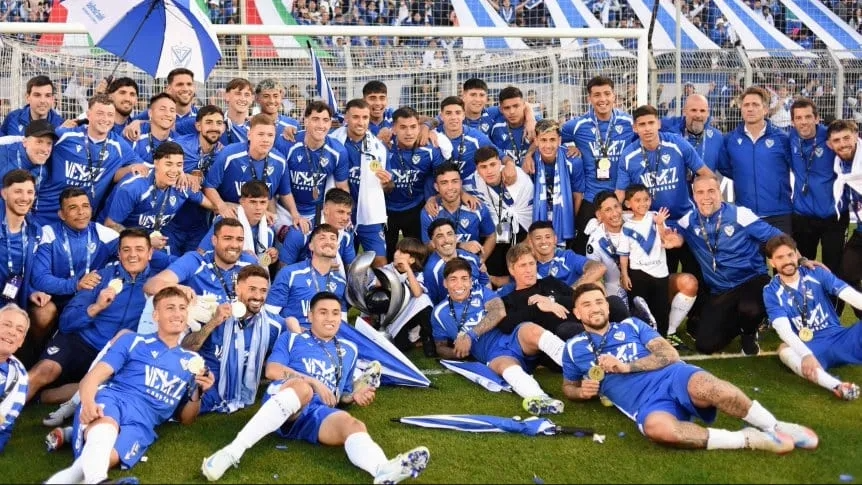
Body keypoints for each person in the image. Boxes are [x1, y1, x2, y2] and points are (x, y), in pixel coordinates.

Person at [200, 292, 430, 484]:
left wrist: (354, 396)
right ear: (310, 316)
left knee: (353, 424)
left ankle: (382, 470)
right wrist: (313, 382)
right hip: (286, 397)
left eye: (335, 313)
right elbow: (272, 370)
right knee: (303, 389)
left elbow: (341, 395)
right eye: (323, 312)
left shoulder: (349, 349)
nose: (330, 318)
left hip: (315, 412)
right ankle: (230, 453)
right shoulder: (292, 339)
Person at [561, 283, 818, 453]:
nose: (595, 308)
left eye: (599, 301)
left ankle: (775, 426)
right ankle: (748, 439)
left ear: (607, 306)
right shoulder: (573, 348)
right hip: (644, 403)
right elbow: (568, 387)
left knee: (717, 390)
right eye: (587, 304)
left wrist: (626, 367)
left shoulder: (631, 325)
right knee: (658, 430)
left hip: (674, 376)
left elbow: (669, 354)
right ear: (577, 313)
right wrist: (581, 392)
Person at [44, 286, 215, 485]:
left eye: (182, 308)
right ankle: (99, 480)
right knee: (104, 430)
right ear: (156, 315)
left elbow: (186, 419)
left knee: (103, 457)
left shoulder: (193, 362)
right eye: (170, 308)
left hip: (143, 423)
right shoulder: (133, 341)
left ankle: (78, 453)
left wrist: (198, 391)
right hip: (115, 399)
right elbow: (93, 378)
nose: (177, 314)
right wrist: (89, 403)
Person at [26, 228, 156, 405]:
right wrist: (96, 307)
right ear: (119, 253)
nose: (132, 255)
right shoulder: (99, 277)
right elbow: (65, 323)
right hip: (81, 341)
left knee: (93, 389)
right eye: (126, 249)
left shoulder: (157, 285)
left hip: (115, 354)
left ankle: (40, 397)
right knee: (45, 370)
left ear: (150, 253)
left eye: (139, 249)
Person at [663, 174, 784, 355]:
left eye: (711, 191)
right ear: (694, 196)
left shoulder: (740, 214)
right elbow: (676, 235)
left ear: (720, 192)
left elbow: (777, 237)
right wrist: (676, 239)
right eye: (700, 192)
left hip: (751, 279)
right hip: (721, 290)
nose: (706, 197)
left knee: (749, 308)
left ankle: (749, 333)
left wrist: (801, 261)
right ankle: (742, 321)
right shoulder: (688, 221)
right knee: (706, 345)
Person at [432, 258, 566, 415]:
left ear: (470, 281)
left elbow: (498, 312)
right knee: (505, 368)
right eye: (453, 279)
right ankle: (540, 399)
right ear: (445, 283)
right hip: (494, 354)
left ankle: (583, 364)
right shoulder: (439, 313)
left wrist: (469, 335)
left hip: (513, 337)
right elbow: (440, 346)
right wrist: (457, 352)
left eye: (464, 279)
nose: (459, 285)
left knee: (532, 330)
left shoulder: (481, 292)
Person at [763, 234, 860, 400]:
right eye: (780, 257)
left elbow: (851, 295)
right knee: (784, 350)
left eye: (790, 255)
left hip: (839, 337)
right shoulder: (770, 291)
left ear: (796, 255)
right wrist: (806, 354)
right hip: (812, 348)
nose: (787, 261)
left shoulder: (816, 273)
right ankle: (837, 386)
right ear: (772, 262)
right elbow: (784, 330)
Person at [182, 265, 285, 414]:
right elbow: (185, 349)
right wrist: (213, 323)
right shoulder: (214, 313)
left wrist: (293, 324)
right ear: (237, 289)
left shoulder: (274, 324)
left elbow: (291, 346)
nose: (258, 296)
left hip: (239, 391)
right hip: (205, 385)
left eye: (263, 290)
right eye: (252, 289)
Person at [35, 94, 147, 226]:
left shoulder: (118, 145)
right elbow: (33, 147)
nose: (105, 119)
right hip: (46, 214)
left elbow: (143, 167)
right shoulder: (65, 135)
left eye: (110, 115)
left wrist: (131, 168)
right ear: (88, 115)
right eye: (100, 113)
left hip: (80, 219)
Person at [30, 188, 119, 343]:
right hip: (54, 298)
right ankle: (38, 350)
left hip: (87, 298)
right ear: (61, 214)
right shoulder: (48, 234)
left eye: (85, 206)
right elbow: (40, 279)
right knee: (43, 313)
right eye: (73, 208)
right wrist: (76, 284)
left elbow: (130, 253)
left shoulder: (104, 234)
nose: (81, 212)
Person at [562, 76, 636, 254]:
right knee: (581, 251)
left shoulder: (629, 123)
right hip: (591, 198)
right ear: (589, 98)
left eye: (607, 94)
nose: (603, 99)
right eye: (597, 95)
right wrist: (568, 148)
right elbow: (549, 139)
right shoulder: (577, 125)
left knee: (628, 250)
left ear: (614, 95)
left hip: (621, 196)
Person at [618, 184, 699, 346]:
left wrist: (661, 224)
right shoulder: (626, 227)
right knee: (641, 309)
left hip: (660, 272)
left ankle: (662, 339)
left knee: (661, 308)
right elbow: (624, 254)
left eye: (646, 199)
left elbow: (664, 239)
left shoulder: (655, 217)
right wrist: (625, 275)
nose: (643, 203)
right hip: (638, 273)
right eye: (637, 200)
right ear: (628, 204)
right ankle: (641, 341)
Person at [101, 142, 215, 253]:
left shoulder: (182, 185)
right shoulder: (134, 188)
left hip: (150, 240)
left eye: (179, 165)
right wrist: (145, 241)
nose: (174, 170)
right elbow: (110, 226)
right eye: (168, 164)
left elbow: (213, 205)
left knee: (177, 264)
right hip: (116, 243)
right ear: (156, 163)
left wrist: (222, 206)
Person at [717, 86, 792, 234]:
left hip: (779, 214)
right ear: (741, 109)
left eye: (755, 105)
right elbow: (726, 168)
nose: (750, 109)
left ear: (765, 110)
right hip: (745, 215)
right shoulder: (730, 140)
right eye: (746, 105)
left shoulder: (782, 139)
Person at [329, 98, 392, 268]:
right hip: (339, 212)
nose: (361, 122)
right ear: (346, 118)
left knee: (380, 262)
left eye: (365, 117)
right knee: (341, 263)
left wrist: (386, 182)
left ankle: (377, 287)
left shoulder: (379, 148)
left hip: (369, 213)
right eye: (355, 117)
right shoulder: (332, 142)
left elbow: (388, 188)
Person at [788, 99, 844, 274]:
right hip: (802, 216)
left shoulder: (831, 137)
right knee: (802, 269)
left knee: (833, 270)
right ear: (792, 122)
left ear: (817, 118)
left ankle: (834, 294)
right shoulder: (790, 138)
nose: (803, 122)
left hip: (832, 215)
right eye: (798, 118)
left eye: (808, 117)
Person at [384, 107, 446, 262]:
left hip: (415, 207)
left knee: (418, 256)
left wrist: (434, 197)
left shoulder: (430, 150)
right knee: (388, 256)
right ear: (394, 129)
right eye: (403, 127)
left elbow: (443, 177)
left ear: (419, 127)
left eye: (413, 127)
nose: (409, 133)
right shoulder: (383, 148)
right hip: (386, 210)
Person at [276, 101, 350, 229]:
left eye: (325, 120)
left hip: (317, 211)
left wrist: (345, 215)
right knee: (294, 239)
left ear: (330, 123)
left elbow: (342, 187)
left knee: (337, 239)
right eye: (315, 119)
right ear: (305, 121)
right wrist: (295, 215)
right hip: (285, 211)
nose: (321, 125)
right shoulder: (287, 144)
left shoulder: (338, 151)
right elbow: (282, 186)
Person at [167, 105, 227, 254]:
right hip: (171, 221)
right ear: (198, 126)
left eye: (219, 123)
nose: (214, 127)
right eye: (209, 122)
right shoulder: (179, 146)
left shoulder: (223, 154)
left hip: (200, 223)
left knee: (196, 263)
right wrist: (180, 173)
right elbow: (160, 169)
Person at [473, 146, 534, 288]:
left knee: (519, 259)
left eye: (493, 165)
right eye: (483, 167)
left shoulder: (519, 177)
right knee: (495, 258)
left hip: (524, 227)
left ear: (500, 163)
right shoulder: (474, 181)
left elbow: (533, 210)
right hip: (500, 228)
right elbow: (457, 188)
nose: (489, 171)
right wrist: (464, 195)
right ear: (477, 169)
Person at [266, 224, 348, 329]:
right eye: (322, 238)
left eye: (333, 239)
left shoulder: (340, 282)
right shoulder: (290, 274)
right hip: (294, 334)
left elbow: (343, 324)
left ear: (338, 247)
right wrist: (294, 328)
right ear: (311, 246)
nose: (328, 242)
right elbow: (269, 316)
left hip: (327, 336)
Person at [420, 163, 496, 260]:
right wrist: (461, 245)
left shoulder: (477, 208)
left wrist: (480, 261)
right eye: (444, 183)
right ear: (436, 187)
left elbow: (491, 236)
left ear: (461, 183)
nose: (450, 187)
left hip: (470, 262)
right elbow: (428, 246)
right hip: (443, 263)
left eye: (454, 181)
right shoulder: (430, 212)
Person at [527, 119, 583, 248]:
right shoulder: (530, 162)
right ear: (536, 141)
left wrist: (570, 221)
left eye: (552, 140)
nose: (548, 145)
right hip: (538, 215)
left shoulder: (573, 161)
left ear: (559, 140)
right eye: (543, 140)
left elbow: (577, 195)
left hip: (564, 217)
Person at [277, 188, 355, 276]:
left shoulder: (346, 235)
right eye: (340, 212)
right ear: (326, 209)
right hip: (302, 282)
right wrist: (321, 266)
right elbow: (282, 273)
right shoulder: (300, 233)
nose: (345, 218)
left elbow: (352, 272)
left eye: (348, 214)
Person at [198, 180, 277, 266]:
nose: (258, 207)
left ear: (267, 203)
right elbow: (201, 253)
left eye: (262, 202)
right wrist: (239, 255)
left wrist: (269, 258)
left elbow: (261, 264)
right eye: (253, 202)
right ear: (242, 202)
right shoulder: (226, 221)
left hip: (252, 273)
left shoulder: (268, 227)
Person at [828, 119, 862, 318]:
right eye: (837, 140)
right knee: (846, 276)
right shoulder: (839, 165)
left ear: (856, 136)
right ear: (830, 144)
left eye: (846, 138)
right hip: (860, 231)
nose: (842, 144)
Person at [422, 219, 490, 305]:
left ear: (456, 238)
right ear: (433, 243)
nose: (446, 240)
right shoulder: (432, 271)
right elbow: (433, 303)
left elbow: (486, 283)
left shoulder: (471, 257)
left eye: (449, 234)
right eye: (440, 236)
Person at [527, 221, 606, 288]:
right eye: (538, 238)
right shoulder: (526, 263)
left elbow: (599, 267)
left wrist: (571, 292)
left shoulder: (567, 257)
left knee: (597, 285)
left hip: (572, 299)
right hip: (541, 300)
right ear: (530, 242)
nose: (544, 241)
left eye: (548, 237)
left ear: (555, 239)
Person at [0, 304, 31, 454]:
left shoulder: (19, 377)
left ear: (21, 342)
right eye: (6, 324)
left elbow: (5, 424)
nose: (12, 332)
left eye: (19, 330)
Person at [0, 118, 56, 185]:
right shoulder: (3, 159)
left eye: (49, 143)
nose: (44, 149)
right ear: (25, 142)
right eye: (39, 142)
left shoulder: (43, 170)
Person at [130, 93, 177, 165]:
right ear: (150, 113)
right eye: (162, 109)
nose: (168, 114)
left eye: (172, 110)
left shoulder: (178, 141)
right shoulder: (134, 136)